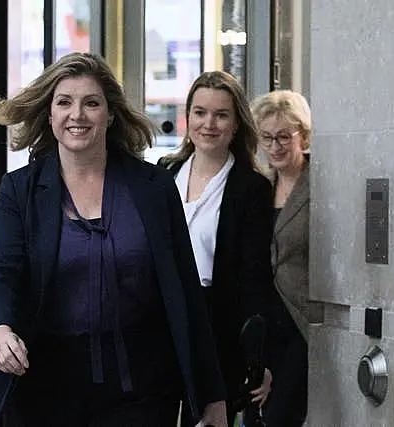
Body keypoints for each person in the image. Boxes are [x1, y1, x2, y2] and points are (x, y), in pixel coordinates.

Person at [0, 52, 228, 427]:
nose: (78, 114)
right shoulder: (20, 190)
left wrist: (211, 394)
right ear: (50, 114)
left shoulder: (153, 187)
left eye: (92, 103)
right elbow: (0, 273)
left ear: (109, 114)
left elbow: (185, 292)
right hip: (44, 385)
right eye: (64, 103)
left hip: (141, 388)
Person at [158, 71, 274, 425]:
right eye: (200, 112)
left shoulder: (251, 188)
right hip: (159, 320)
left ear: (237, 123)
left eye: (221, 114)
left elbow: (254, 277)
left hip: (216, 327)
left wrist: (259, 359)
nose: (209, 123)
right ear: (188, 118)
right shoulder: (163, 173)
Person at [251, 90, 321, 426]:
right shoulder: (261, 188)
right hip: (268, 323)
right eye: (267, 138)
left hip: (302, 320)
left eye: (283, 137)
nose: (275, 146)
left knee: (281, 417)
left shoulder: (321, 184)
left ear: (303, 136)